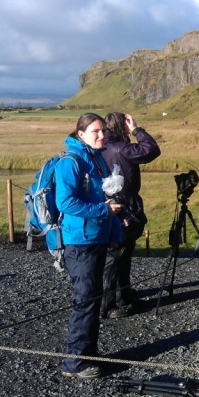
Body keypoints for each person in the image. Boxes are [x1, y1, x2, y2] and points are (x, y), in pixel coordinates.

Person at [55, 113, 123, 379]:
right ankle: (74, 363)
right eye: (95, 131)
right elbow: (65, 203)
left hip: (97, 237)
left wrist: (114, 230)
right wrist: (103, 211)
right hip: (79, 241)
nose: (101, 135)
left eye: (103, 130)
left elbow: (108, 196)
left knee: (93, 297)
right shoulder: (71, 161)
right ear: (80, 134)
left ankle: (88, 354)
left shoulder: (96, 158)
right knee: (84, 299)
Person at [100, 112, 161, 319]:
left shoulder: (100, 146)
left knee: (122, 254)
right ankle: (106, 305)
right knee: (116, 256)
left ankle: (123, 296)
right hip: (124, 206)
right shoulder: (121, 148)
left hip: (109, 204)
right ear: (122, 126)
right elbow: (151, 149)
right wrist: (136, 130)